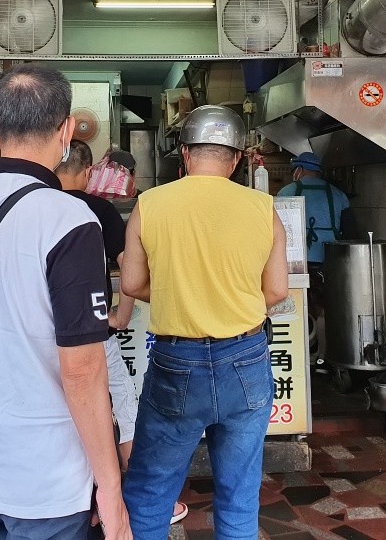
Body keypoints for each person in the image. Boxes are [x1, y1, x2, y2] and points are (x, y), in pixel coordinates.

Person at [0, 65, 131, 540]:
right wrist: (110, 489)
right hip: (47, 478)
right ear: (66, 131)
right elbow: (82, 369)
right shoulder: (69, 220)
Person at [120, 105, 290, 540]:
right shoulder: (263, 207)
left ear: (185, 154)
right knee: (238, 492)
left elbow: (134, 283)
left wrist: (183, 293)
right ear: (236, 159)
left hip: (176, 363)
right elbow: (275, 293)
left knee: (150, 492)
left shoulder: (150, 203)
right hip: (246, 361)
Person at [56, 140, 188, 526]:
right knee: (124, 409)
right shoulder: (99, 210)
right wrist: (121, 316)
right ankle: (144, 501)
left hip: (47, 336)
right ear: (86, 172)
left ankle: (81, 502)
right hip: (94, 332)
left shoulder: (34, 205)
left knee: (64, 413)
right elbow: (129, 267)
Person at [277, 151, 350, 267]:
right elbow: (348, 229)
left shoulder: (285, 192)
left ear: (300, 170)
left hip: (297, 260)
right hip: (330, 257)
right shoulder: (338, 194)